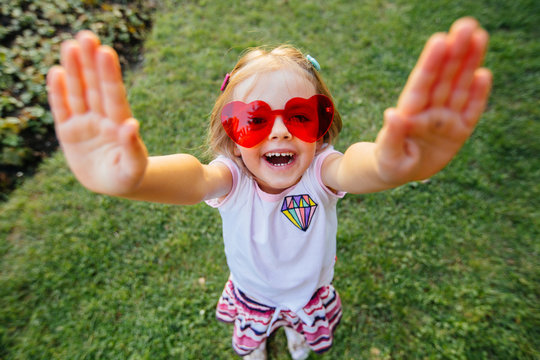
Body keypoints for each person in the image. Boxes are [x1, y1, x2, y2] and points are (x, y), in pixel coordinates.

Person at [46, 17, 491, 360]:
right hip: (253, 293)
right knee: (253, 332)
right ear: (233, 139)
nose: (279, 133)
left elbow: (357, 167)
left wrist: (388, 166)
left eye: (299, 116)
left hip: (309, 291)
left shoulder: (321, 172)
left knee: (302, 326)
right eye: (254, 120)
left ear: (321, 129)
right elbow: (194, 178)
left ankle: (299, 337)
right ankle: (257, 345)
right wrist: (138, 177)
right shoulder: (231, 180)